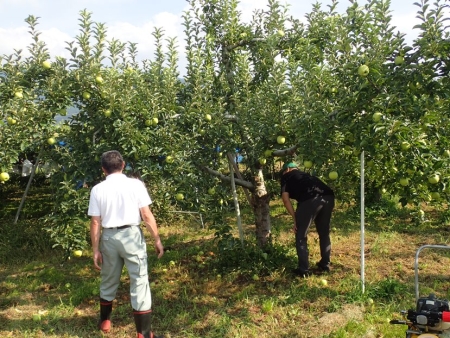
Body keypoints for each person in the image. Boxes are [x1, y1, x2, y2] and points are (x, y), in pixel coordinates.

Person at [88, 150, 164, 338]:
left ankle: (105, 321)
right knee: (139, 280)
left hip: (109, 237)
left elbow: (95, 221)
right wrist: (156, 239)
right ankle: (144, 333)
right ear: (123, 165)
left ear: (103, 169)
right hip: (131, 236)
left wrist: (96, 249)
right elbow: (146, 214)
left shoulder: (97, 189)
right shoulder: (135, 185)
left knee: (108, 278)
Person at [280, 162, 335, 278]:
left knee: (301, 235)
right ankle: (325, 264)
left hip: (309, 200)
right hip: (328, 197)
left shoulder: (287, 176)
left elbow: (285, 199)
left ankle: (303, 270)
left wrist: (295, 218)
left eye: (283, 171)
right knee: (324, 233)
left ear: (288, 169)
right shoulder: (307, 175)